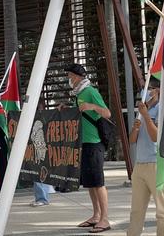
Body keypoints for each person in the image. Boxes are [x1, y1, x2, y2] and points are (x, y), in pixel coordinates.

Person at [60, 63, 111, 233]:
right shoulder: (79, 93)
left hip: (95, 142)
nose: (68, 79)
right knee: (90, 183)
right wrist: (68, 109)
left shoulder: (90, 91)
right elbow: (81, 112)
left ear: (78, 76)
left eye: (69, 75)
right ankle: (96, 215)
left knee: (98, 182)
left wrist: (92, 106)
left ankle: (105, 219)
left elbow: (107, 113)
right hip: (84, 142)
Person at [127, 77, 164, 236]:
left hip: (156, 165)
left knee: (161, 210)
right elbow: (132, 140)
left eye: (148, 88)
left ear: (157, 90)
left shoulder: (161, 109)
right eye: (143, 88)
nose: (144, 92)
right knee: (136, 210)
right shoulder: (142, 109)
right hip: (139, 165)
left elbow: (155, 137)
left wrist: (145, 116)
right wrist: (136, 128)